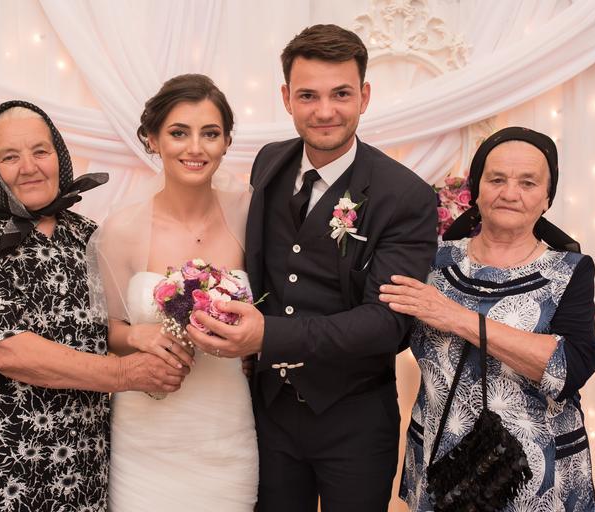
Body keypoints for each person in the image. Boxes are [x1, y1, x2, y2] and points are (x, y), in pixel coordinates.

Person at [186, 25, 437, 511]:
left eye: (341, 93)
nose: (325, 111)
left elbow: (387, 324)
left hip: (355, 421)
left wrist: (268, 336)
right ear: (286, 98)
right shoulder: (269, 162)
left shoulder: (405, 196)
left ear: (365, 96)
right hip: (267, 413)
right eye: (308, 96)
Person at [0, 100, 187, 512]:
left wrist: (146, 336)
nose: (29, 167)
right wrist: (124, 373)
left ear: (59, 155)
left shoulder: (89, 236)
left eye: (40, 151)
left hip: (79, 463)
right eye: (10, 157)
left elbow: (97, 327)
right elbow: (5, 350)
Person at [380, 127, 595, 510]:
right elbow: (382, 332)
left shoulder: (569, 270)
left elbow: (570, 367)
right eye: (497, 179)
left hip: (534, 476)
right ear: (476, 190)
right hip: (441, 465)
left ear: (547, 197)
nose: (510, 193)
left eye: (528, 183)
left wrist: (457, 318)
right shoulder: (431, 260)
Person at [91, 74, 258, 511]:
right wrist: (136, 335)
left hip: (226, 429)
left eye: (210, 134)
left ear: (227, 142)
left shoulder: (251, 216)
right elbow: (102, 330)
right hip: (146, 433)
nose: (195, 148)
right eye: (179, 133)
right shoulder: (122, 229)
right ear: (153, 139)